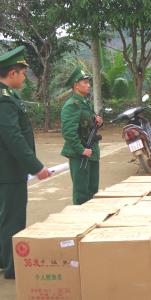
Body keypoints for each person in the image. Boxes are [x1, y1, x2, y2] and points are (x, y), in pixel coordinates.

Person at [0, 46, 51, 280]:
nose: (24, 78)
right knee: (13, 218)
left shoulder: (3, 93)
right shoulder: (1, 99)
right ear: (13, 74)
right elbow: (14, 138)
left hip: (6, 166)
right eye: (23, 73)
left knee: (7, 214)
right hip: (6, 167)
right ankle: (13, 269)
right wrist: (36, 167)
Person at [61, 66, 103, 205]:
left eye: (88, 82)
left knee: (92, 190)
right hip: (80, 153)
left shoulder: (85, 103)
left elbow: (87, 126)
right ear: (76, 85)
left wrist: (98, 123)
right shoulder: (72, 105)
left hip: (92, 151)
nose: (88, 85)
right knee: (81, 191)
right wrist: (81, 150)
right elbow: (68, 132)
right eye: (85, 82)